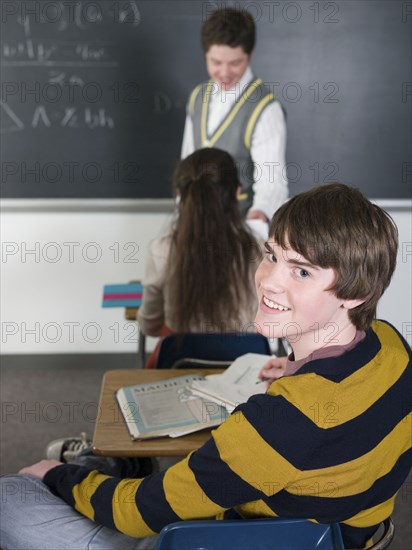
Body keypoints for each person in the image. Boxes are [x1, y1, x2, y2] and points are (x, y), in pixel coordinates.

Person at [1, 183, 411, 550]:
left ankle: (88, 466)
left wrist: (58, 478)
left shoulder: (279, 422)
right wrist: (294, 369)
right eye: (271, 255)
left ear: (355, 294)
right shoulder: (392, 345)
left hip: (228, 540)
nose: (269, 280)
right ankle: (106, 465)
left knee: (12, 498)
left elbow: (137, 514)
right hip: (352, 533)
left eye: (301, 271)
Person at [137, 147, 261, 368]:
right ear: (237, 192)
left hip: (178, 373)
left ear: (179, 195)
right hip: (246, 381)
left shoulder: (162, 250)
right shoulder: (261, 251)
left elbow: (150, 326)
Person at [181, 7, 288, 225]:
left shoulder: (265, 109)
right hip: (196, 226)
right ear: (205, 56)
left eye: (235, 63)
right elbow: (187, 163)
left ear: (249, 56)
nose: (225, 72)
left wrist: (258, 217)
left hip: (240, 232)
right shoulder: (197, 97)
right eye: (216, 62)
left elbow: (271, 183)